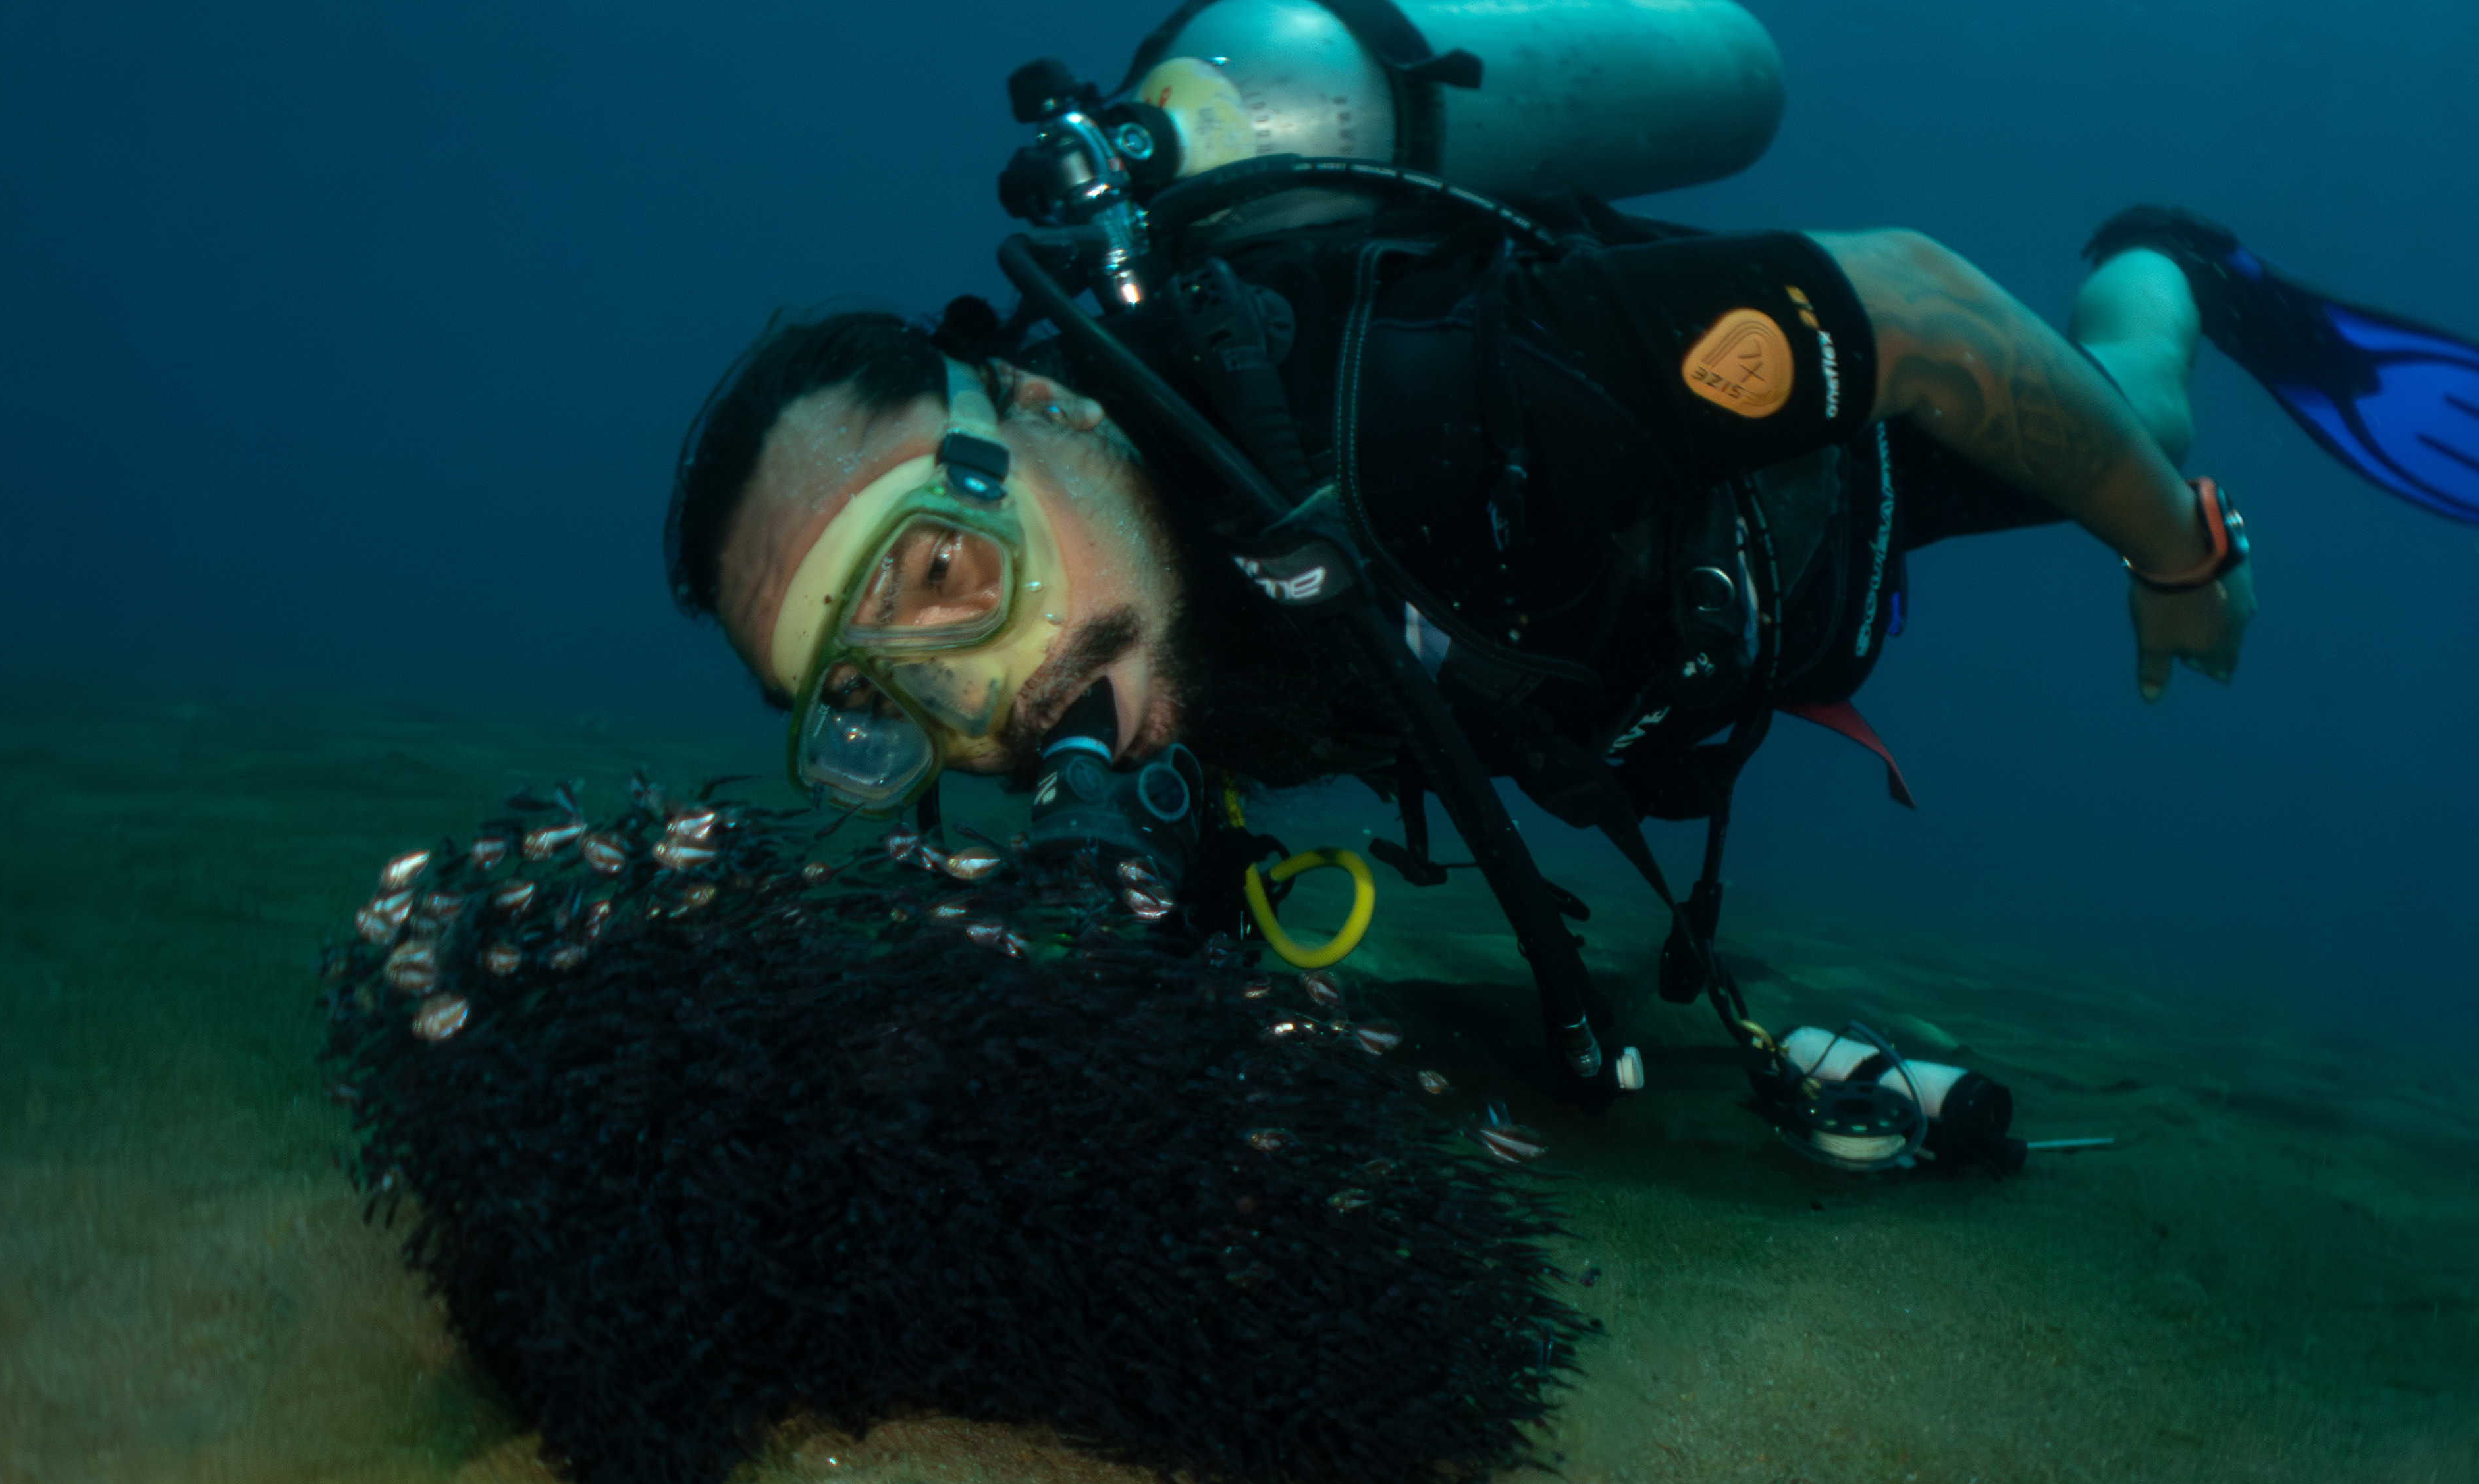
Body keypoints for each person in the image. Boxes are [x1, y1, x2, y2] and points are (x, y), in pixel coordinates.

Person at [656, 194, 2468, 1101]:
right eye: (872, 707)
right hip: (1654, 674)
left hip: (1811, 506)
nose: (974, 712)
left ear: (1045, 412)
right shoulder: (1142, 638)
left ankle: (2167, 259)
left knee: (2134, 400)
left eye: (942, 582)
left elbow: (1909, 298)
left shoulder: (1449, 400)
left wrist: (2171, 561)